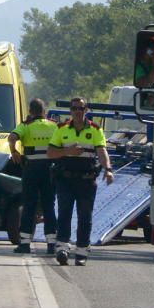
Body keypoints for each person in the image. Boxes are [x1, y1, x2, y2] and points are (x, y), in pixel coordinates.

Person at [47, 97, 114, 266]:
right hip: (65, 180)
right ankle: (62, 248)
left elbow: (101, 151)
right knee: (64, 213)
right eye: (75, 108)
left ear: (86, 110)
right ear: (71, 110)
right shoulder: (61, 129)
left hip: (86, 181)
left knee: (85, 217)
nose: (78, 111)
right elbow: (50, 153)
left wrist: (108, 170)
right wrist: (67, 151)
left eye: (81, 108)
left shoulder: (96, 129)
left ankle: (82, 251)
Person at [8, 98, 58, 254]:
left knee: (29, 206)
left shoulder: (25, 126)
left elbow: (12, 137)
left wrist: (14, 151)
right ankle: (51, 244)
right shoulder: (54, 126)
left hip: (31, 170)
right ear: (44, 112)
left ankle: (24, 244)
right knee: (49, 206)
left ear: (30, 111)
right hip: (49, 170)